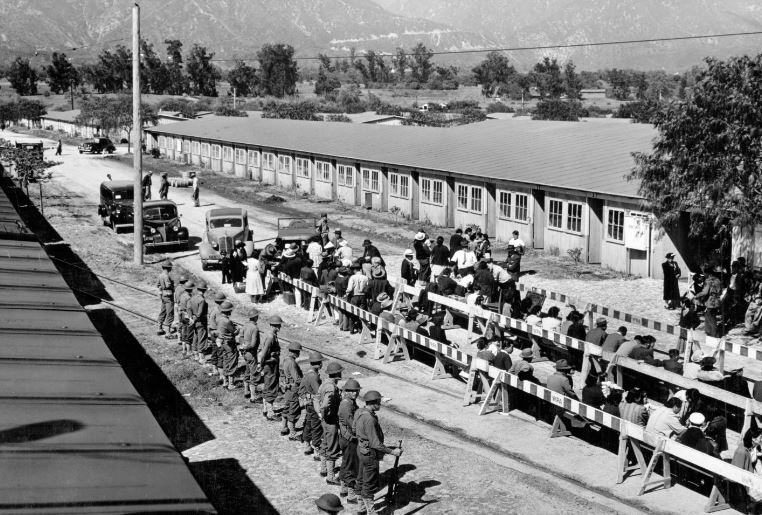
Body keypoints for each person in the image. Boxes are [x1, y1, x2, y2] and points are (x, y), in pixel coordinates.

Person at [354, 390, 402, 515]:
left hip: (361, 450)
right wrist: (392, 451)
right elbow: (375, 444)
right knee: (369, 483)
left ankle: (361, 508)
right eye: (378, 402)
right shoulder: (369, 419)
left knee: (361, 478)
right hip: (370, 454)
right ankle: (371, 511)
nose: (380, 404)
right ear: (373, 403)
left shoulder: (360, 412)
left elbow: (355, 429)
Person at [318, 361, 344, 484]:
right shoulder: (331, 387)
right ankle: (330, 476)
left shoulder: (324, 383)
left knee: (325, 443)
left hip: (325, 421)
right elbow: (325, 405)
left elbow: (317, 399)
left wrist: (321, 416)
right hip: (331, 421)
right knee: (333, 447)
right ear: (337, 374)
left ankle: (323, 468)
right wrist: (325, 415)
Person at [338, 378, 361, 504]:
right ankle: (351, 495)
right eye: (352, 391)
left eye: (356, 391)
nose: (355, 393)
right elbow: (352, 424)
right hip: (349, 439)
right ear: (346, 391)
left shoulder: (350, 402)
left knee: (346, 463)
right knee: (352, 466)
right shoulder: (346, 404)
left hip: (346, 437)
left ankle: (343, 489)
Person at [300, 351, 324, 457]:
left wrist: (307, 397)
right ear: (319, 364)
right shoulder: (314, 377)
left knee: (308, 425)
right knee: (316, 427)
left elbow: (300, 390)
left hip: (308, 404)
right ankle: (316, 450)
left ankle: (307, 446)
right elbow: (318, 393)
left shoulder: (307, 374)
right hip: (314, 405)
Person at [258, 315, 283, 421]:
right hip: (270, 365)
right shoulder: (271, 337)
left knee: (267, 386)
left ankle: (265, 409)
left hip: (270, 364)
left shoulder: (269, 334)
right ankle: (270, 412)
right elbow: (263, 353)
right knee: (271, 387)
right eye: (279, 325)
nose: (280, 327)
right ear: (276, 326)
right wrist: (261, 364)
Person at [731, 426, 762, 507]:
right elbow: (737, 473)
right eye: (761, 437)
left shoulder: (753, 447)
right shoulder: (741, 451)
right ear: (753, 439)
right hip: (745, 484)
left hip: (750, 478)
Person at [279, 340, 303, 438]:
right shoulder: (292, 363)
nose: (299, 353)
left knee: (287, 407)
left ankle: (284, 427)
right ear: (295, 352)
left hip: (288, 388)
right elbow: (297, 378)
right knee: (293, 410)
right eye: (298, 351)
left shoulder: (285, 360)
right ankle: (292, 433)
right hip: (293, 389)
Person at [694, 265, 723, 337]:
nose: (704, 275)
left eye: (705, 273)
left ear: (708, 273)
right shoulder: (718, 280)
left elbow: (705, 292)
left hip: (710, 302)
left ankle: (715, 335)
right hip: (717, 301)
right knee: (708, 316)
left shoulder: (708, 281)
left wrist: (697, 296)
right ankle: (708, 331)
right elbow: (720, 291)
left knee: (711, 319)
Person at [240, 310, 261, 402]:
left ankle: (246, 391)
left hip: (245, 353)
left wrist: (243, 346)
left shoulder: (245, 325)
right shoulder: (254, 328)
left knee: (247, 371)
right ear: (256, 317)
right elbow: (253, 344)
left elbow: (240, 337)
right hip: (251, 353)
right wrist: (247, 347)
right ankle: (253, 396)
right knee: (254, 374)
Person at [217, 301, 239, 390]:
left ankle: (225, 382)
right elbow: (234, 332)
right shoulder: (227, 321)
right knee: (232, 362)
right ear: (228, 311)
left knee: (225, 361)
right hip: (230, 344)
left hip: (222, 343)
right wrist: (238, 329)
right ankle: (231, 384)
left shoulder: (219, 319)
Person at [187, 281, 209, 365]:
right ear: (204, 290)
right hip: (201, 322)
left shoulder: (192, 297)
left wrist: (190, 318)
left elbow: (188, 308)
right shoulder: (202, 300)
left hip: (194, 321)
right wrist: (194, 319)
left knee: (195, 337)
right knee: (202, 338)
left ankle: (195, 354)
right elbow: (199, 314)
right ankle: (201, 358)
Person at [207, 291, 226, 379]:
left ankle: (215, 369)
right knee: (220, 352)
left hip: (212, 331)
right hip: (217, 332)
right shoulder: (219, 311)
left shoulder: (213, 309)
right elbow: (219, 323)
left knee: (214, 350)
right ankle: (221, 374)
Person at [346, 265, 369, 333]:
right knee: (361, 313)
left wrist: (347, 292)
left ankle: (352, 329)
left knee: (353, 313)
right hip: (363, 296)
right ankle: (360, 329)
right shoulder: (366, 278)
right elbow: (367, 288)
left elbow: (350, 289)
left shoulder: (352, 277)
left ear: (354, 270)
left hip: (354, 296)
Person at [156, 260, 174, 336]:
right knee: (170, 313)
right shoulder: (167, 276)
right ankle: (168, 332)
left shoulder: (160, 275)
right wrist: (173, 286)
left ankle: (159, 328)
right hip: (169, 296)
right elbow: (168, 285)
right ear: (169, 268)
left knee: (162, 312)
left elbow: (158, 285)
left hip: (163, 296)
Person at [178, 281, 195, 356]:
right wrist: (191, 318)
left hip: (182, 315)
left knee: (183, 333)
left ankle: (183, 350)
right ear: (191, 289)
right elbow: (189, 308)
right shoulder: (189, 297)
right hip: (187, 316)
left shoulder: (182, 295)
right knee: (189, 334)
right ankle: (189, 351)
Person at [171, 274, 188, 340]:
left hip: (176, 305)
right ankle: (181, 337)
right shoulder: (184, 289)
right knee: (182, 322)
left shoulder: (177, 288)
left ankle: (178, 336)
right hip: (181, 306)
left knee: (177, 321)